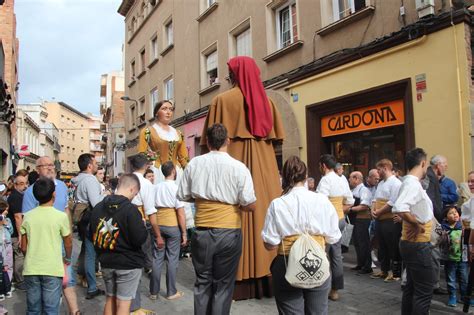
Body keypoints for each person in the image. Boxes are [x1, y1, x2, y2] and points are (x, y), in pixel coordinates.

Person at [200, 56, 285, 299]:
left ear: (235, 75)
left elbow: (211, 143)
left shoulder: (221, 101)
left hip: (231, 168)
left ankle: (235, 282)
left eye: (228, 74)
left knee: (234, 212)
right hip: (264, 171)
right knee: (263, 213)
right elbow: (277, 139)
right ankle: (267, 273)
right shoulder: (268, 103)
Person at [178, 123, 257, 314]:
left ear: (206, 142)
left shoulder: (194, 164)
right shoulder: (239, 167)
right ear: (227, 141)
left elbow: (183, 195)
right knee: (223, 285)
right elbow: (250, 204)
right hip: (229, 232)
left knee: (203, 282)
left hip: (202, 231)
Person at [262, 156, 341, 314]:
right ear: (306, 176)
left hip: (286, 263)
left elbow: (270, 243)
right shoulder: (322, 201)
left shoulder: (278, 204)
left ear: (284, 177)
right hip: (317, 261)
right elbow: (334, 237)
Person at [22, 156, 80, 314]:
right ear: (37, 169)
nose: (49, 168)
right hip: (42, 245)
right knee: (47, 296)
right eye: (44, 165)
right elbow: (26, 222)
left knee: (68, 279)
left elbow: (66, 209)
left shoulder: (61, 186)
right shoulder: (30, 192)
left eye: (51, 165)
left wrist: (68, 233)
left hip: (61, 240)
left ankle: (74, 311)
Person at [89, 174, 148, 315]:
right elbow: (139, 239)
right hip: (128, 263)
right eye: (136, 193)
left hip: (106, 260)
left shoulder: (98, 207)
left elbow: (92, 233)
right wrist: (143, 226)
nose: (135, 196)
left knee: (110, 298)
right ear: (132, 189)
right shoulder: (131, 209)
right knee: (123, 303)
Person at [393, 147, 434, 315]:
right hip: (418, 244)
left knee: (412, 286)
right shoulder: (411, 183)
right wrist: (416, 224)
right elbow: (400, 207)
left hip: (412, 244)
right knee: (424, 291)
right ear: (423, 163)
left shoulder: (410, 183)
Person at [316, 154, 354, 301]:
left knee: (323, 254)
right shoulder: (341, 179)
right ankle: (335, 290)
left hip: (327, 221)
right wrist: (338, 210)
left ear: (324, 166)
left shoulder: (325, 180)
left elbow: (320, 203)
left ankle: (320, 287)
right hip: (340, 219)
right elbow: (350, 201)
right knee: (337, 255)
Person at [129, 154, 161, 315]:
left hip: (122, 224)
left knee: (130, 263)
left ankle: (129, 303)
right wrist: (158, 234)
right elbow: (150, 211)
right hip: (139, 225)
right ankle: (135, 306)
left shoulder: (126, 179)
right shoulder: (145, 184)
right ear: (145, 166)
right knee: (141, 262)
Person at [150, 161, 186, 300]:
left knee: (157, 258)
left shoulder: (156, 187)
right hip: (172, 225)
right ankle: (171, 292)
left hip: (158, 224)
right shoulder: (176, 188)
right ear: (173, 172)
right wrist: (184, 233)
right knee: (172, 260)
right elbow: (181, 213)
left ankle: (154, 292)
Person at [72, 153, 105, 300]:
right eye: (95, 163)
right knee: (91, 254)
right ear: (89, 166)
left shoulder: (78, 179)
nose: (97, 165)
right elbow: (96, 203)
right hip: (89, 219)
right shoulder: (90, 180)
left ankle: (82, 275)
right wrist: (106, 195)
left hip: (82, 219)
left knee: (86, 250)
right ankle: (92, 287)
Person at [137, 100, 189, 184]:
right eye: (164, 109)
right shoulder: (147, 131)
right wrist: (155, 157)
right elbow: (141, 153)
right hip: (158, 171)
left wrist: (188, 171)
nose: (168, 112)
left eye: (171, 109)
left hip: (177, 172)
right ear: (156, 112)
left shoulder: (178, 133)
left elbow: (184, 157)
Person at [371, 159, 402, 282]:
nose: (377, 172)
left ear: (385, 168)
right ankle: (384, 270)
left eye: (378, 169)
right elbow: (375, 198)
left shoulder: (396, 183)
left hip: (389, 219)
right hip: (379, 219)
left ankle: (395, 273)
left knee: (392, 246)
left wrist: (378, 211)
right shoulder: (381, 183)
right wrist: (373, 209)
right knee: (382, 246)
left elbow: (392, 201)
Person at [440, 206, 469, 307]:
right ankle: (452, 296)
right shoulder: (443, 228)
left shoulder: (463, 226)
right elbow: (438, 239)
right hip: (449, 258)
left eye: (456, 212)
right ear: (446, 217)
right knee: (451, 279)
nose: (455, 214)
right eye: (451, 213)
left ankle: (465, 297)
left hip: (463, 258)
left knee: (464, 279)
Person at [6, 169, 28, 289]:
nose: (25, 186)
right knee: (19, 255)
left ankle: (16, 278)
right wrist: (21, 234)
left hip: (15, 232)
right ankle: (20, 280)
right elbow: (18, 216)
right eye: (21, 184)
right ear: (15, 185)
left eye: (26, 183)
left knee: (17, 256)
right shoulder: (16, 197)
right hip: (15, 232)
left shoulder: (18, 195)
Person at [348, 171, 373, 274]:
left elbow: (364, 205)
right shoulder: (354, 190)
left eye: (350, 178)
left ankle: (367, 266)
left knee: (363, 243)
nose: (349, 180)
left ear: (356, 179)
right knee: (357, 243)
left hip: (362, 219)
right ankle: (360, 263)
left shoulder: (364, 190)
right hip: (355, 220)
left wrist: (350, 210)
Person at [0, 200, 13, 298]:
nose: (7, 212)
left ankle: (8, 286)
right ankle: (1, 289)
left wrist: (6, 224)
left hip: (7, 244)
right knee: (1, 267)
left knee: (8, 265)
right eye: (5, 210)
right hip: (1, 246)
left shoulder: (7, 220)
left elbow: (11, 231)